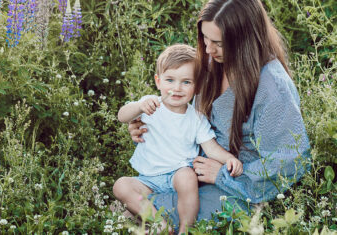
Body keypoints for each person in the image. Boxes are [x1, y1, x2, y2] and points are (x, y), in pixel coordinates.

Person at [128, 0, 311, 231]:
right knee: (129, 193)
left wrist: (222, 175)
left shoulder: (272, 86)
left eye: (218, 43)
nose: (207, 50)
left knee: (141, 210)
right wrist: (149, 124)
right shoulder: (212, 61)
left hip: (238, 186)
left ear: (245, 41)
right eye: (205, 39)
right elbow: (186, 113)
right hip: (187, 170)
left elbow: (289, 160)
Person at [113, 44, 243, 234]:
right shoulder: (151, 105)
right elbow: (122, 116)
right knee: (121, 186)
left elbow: (211, 148)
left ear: (197, 86)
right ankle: (159, 224)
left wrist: (229, 159)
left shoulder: (196, 118)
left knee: (187, 176)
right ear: (158, 81)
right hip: (148, 179)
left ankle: (185, 228)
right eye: (170, 80)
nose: (177, 88)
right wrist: (139, 106)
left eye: (186, 82)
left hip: (177, 176)